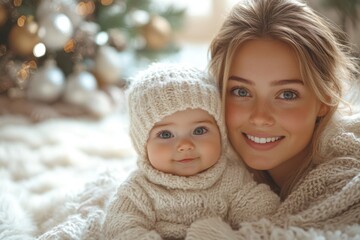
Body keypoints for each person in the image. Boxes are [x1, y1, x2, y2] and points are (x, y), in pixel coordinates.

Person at [185, 0, 360, 239]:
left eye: (287, 94)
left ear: (324, 101)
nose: (260, 117)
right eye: (241, 91)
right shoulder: (207, 159)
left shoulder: (347, 174)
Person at [102, 63, 280, 239]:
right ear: (142, 144)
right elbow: (121, 226)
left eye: (199, 130)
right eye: (165, 134)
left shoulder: (232, 177)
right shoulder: (139, 189)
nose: (185, 145)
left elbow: (258, 206)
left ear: (221, 133)